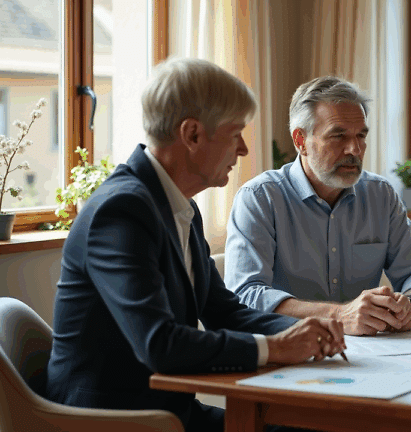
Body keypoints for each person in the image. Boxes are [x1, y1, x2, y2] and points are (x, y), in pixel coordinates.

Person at [46, 58, 345, 432]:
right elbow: (160, 344)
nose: (243, 150)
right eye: (235, 133)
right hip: (113, 421)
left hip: (167, 413)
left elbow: (225, 312)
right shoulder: (120, 211)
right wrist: (280, 347)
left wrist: (318, 329)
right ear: (192, 135)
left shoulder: (180, 206)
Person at [225, 76, 411, 335]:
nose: (354, 149)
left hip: (368, 354)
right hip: (285, 350)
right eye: (338, 136)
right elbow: (246, 295)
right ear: (300, 141)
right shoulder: (260, 198)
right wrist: (339, 315)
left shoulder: (380, 195)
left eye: (361, 135)